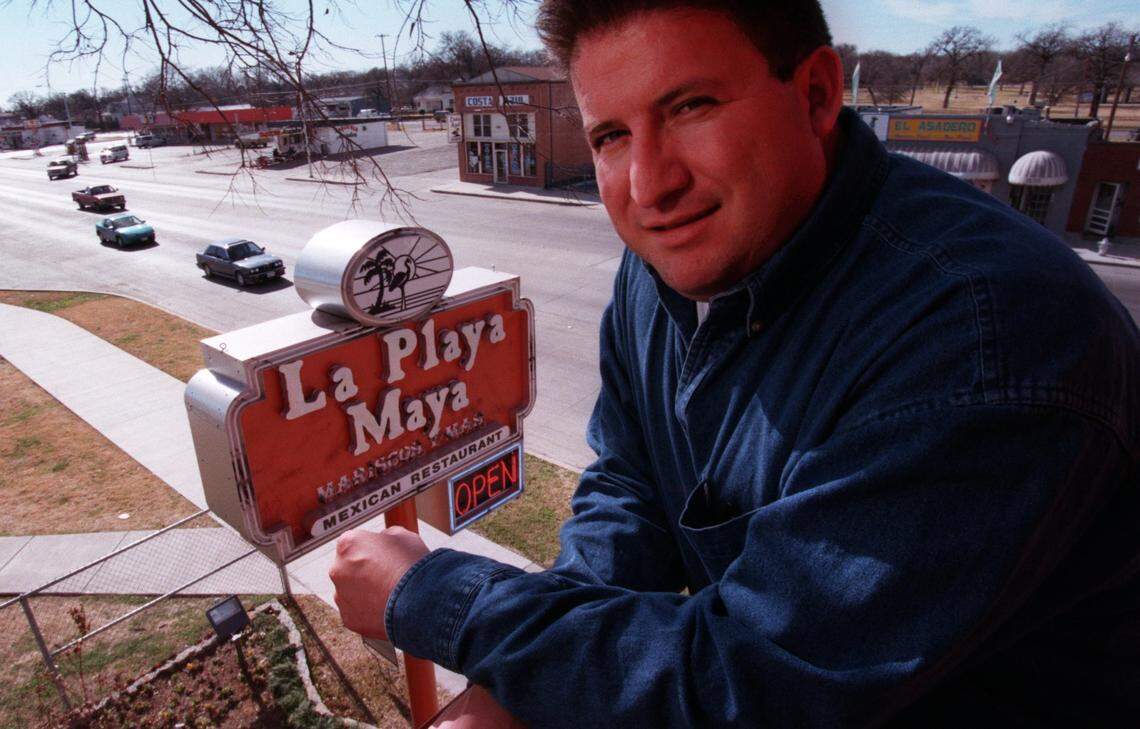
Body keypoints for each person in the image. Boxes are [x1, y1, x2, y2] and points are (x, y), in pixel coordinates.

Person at [330, 1, 1140, 726]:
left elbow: (757, 683)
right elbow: (630, 485)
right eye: (610, 135)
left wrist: (438, 598)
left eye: (689, 106)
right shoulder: (669, 263)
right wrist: (523, 687)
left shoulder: (983, 336)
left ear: (817, 93)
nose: (650, 184)